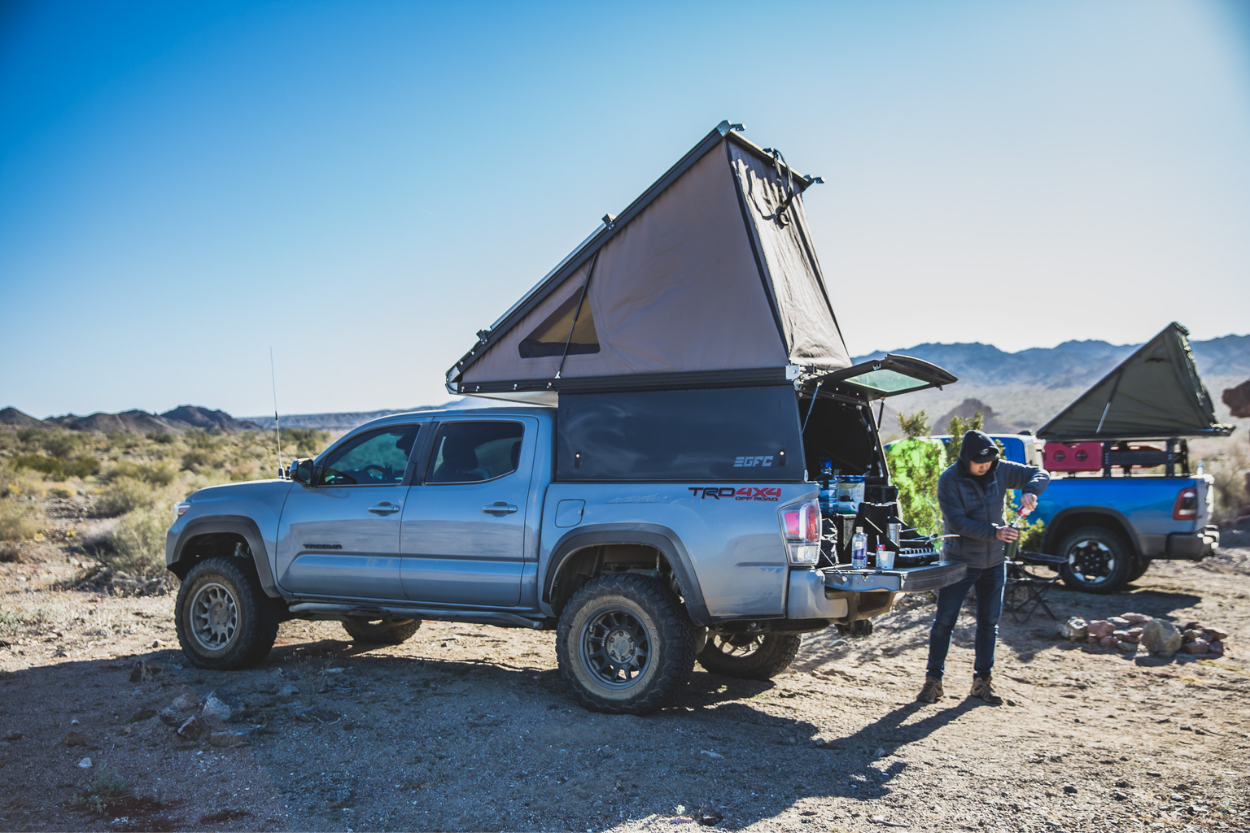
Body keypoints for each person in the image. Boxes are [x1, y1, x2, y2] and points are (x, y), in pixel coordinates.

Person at [918, 429, 1049, 706]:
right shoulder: (949, 480)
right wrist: (995, 532)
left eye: (989, 462)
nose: (985, 467)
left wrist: (1030, 491)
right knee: (943, 623)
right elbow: (957, 522)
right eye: (980, 463)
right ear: (966, 459)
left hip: (994, 562)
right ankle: (933, 682)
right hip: (959, 562)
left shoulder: (999, 470)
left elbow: (1040, 473)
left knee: (989, 624)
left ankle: (982, 683)